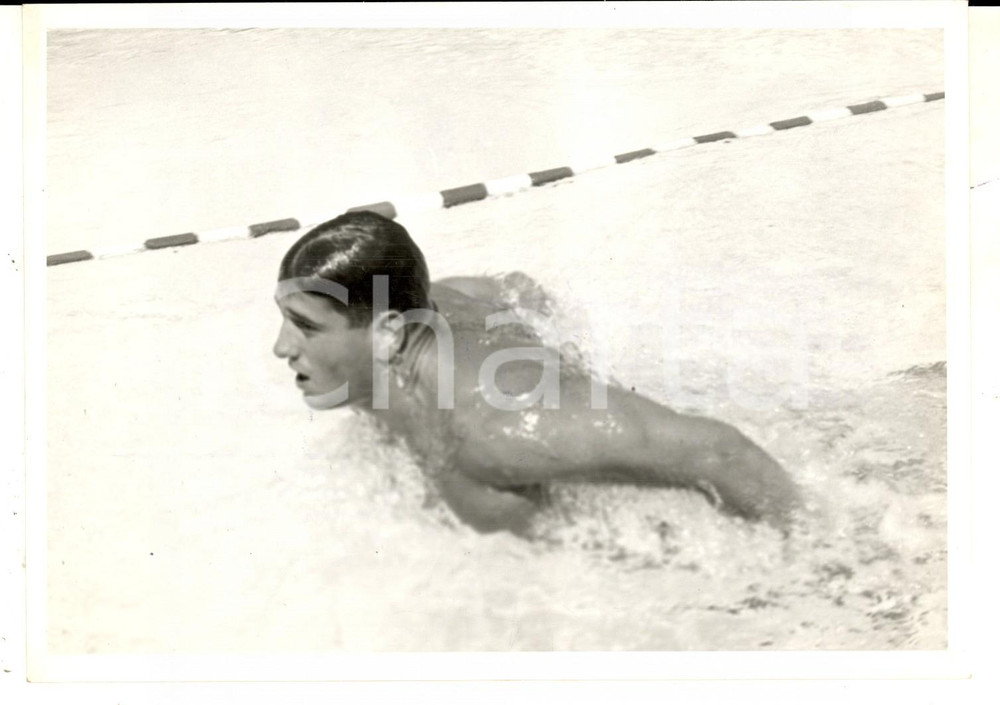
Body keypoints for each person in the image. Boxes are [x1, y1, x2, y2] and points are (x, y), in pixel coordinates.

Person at [273, 210, 802, 537]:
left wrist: (816, 559)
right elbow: (515, 288)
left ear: (389, 333)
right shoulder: (428, 307)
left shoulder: (496, 429)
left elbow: (720, 452)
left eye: (305, 327)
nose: (280, 348)